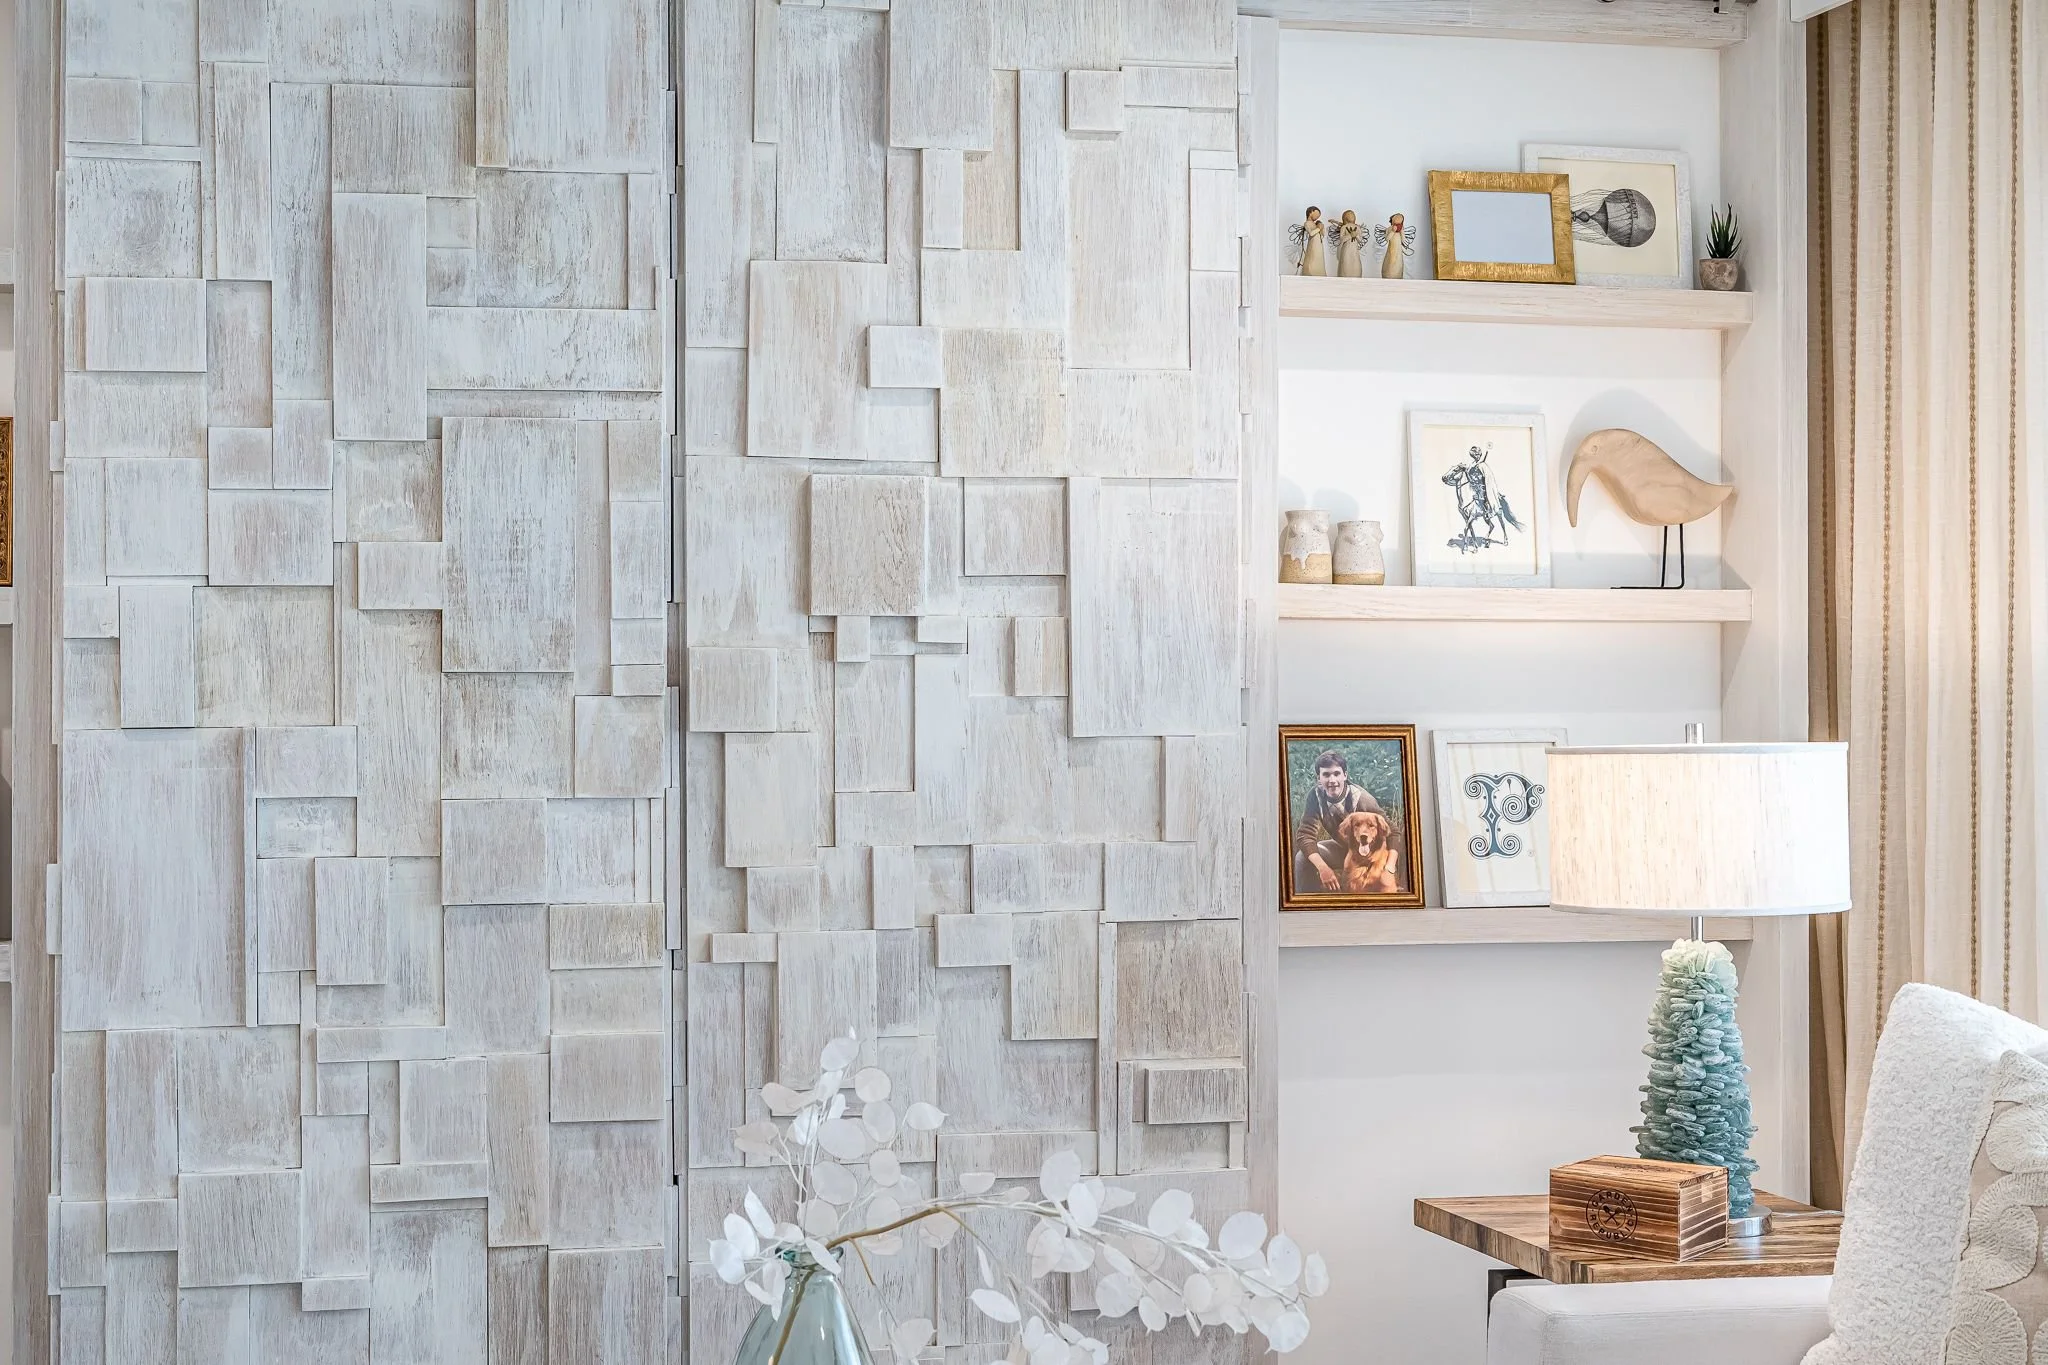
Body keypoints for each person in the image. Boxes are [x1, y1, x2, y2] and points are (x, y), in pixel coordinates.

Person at [1293, 749, 1388, 893]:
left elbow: (1392, 832)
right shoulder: (1315, 796)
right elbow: (1305, 835)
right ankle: (1307, 904)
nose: (1332, 780)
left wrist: (1389, 865)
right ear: (1319, 778)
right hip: (1342, 849)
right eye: (1326, 775)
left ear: (1345, 775)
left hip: (1369, 854)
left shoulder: (1362, 799)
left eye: (1337, 774)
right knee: (1302, 858)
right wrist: (1323, 868)